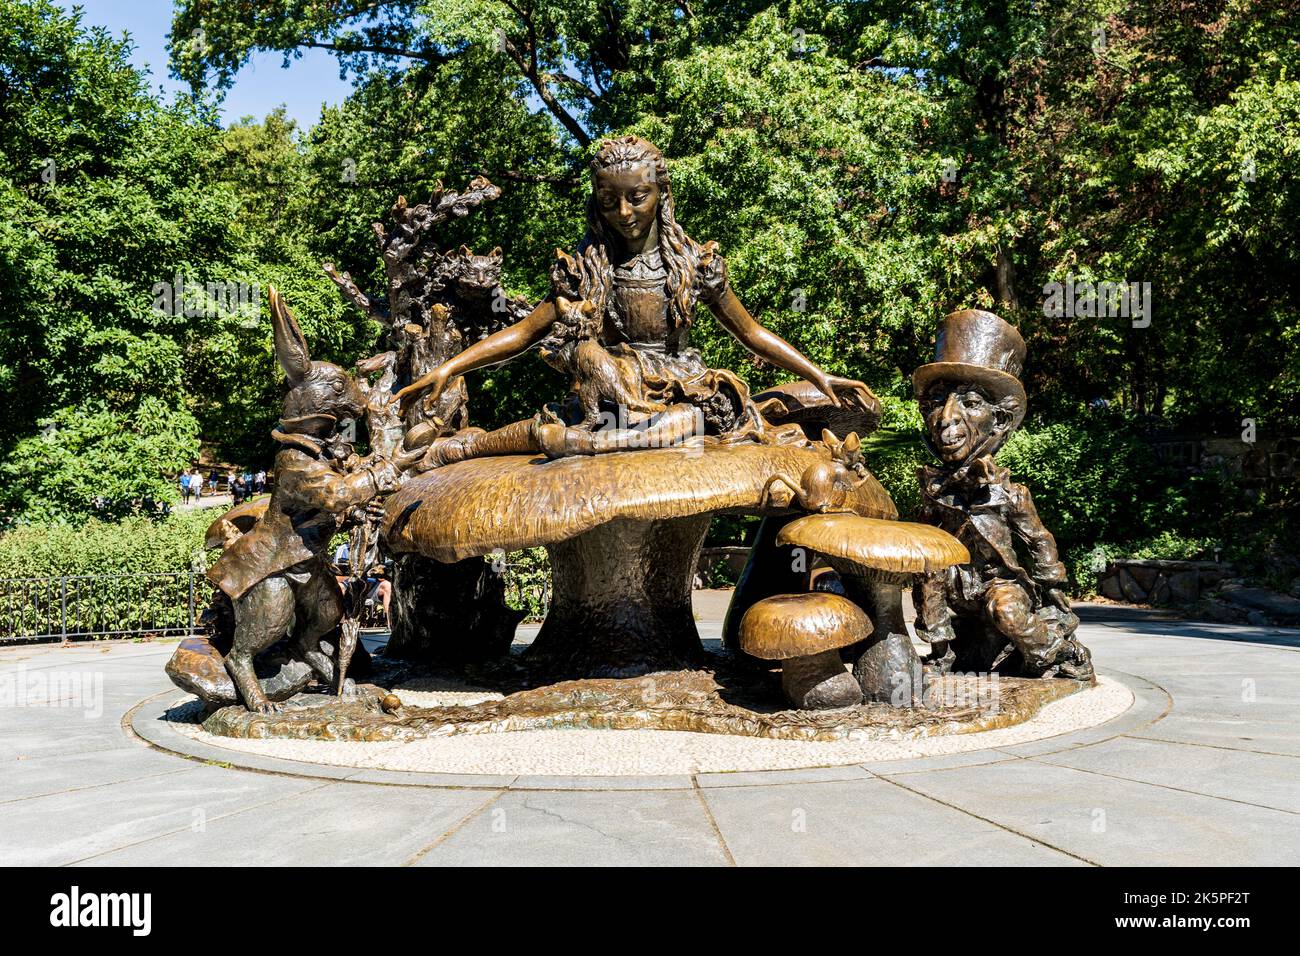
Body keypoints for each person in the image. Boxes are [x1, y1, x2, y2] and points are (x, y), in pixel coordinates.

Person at [393, 135, 872, 465]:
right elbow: (524, 333)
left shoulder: (693, 265)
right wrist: (449, 368)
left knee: (691, 417)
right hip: (611, 386)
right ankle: (458, 449)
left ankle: (591, 446)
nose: (624, 212)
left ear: (661, 194)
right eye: (609, 201)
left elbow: (750, 333)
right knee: (585, 355)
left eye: (637, 197)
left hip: (677, 386)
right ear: (596, 202)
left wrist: (817, 373)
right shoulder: (588, 266)